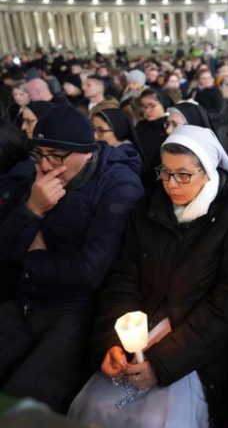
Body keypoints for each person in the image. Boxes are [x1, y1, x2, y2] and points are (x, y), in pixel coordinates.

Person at [69, 125, 228, 427]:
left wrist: (161, 364)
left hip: (196, 349)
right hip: (142, 335)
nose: (171, 184)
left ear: (208, 171)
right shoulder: (149, 208)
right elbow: (124, 280)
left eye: (184, 175)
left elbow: (226, 306)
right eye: (165, 172)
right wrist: (112, 341)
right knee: (93, 409)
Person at [0, 106, 144, 412]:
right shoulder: (38, 176)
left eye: (57, 156)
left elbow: (90, 271)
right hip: (25, 300)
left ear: (87, 152)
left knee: (21, 404)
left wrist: (33, 255)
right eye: (40, 154)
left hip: (76, 313)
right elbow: (5, 250)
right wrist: (32, 210)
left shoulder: (118, 185)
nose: (46, 165)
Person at [135, 88, 170, 193]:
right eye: (144, 107)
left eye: (152, 106)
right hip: (140, 177)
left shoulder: (170, 126)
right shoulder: (140, 126)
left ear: (163, 104)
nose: (147, 111)